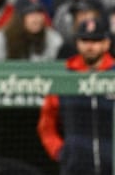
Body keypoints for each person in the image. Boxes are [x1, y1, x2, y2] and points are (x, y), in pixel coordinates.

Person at [38, 17, 114, 174]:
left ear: (106, 43)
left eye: (96, 40)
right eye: (85, 40)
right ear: (77, 43)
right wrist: (60, 151)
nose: (90, 46)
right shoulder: (64, 77)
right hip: (76, 167)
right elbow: (46, 123)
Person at [0, 0, 64, 61]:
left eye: (39, 13)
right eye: (30, 14)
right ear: (18, 18)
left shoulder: (53, 40)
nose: (37, 19)